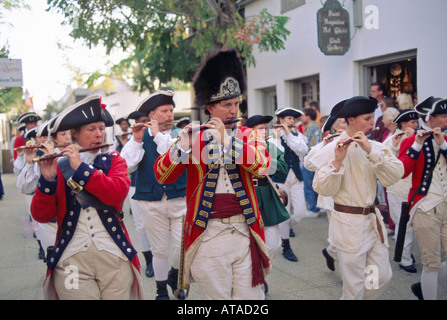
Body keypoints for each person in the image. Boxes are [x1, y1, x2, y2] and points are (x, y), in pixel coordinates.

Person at [154, 48, 271, 300]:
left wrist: (228, 142)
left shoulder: (248, 135)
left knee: (252, 300)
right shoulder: (195, 139)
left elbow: (262, 166)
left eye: (236, 104)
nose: (233, 110)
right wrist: (182, 145)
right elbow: (162, 176)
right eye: (226, 104)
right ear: (209, 107)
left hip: (245, 231)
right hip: (208, 235)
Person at [30, 95, 143, 300]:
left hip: (114, 255)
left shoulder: (114, 161)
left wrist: (81, 169)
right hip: (72, 260)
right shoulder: (59, 165)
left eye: (101, 128)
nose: (99, 134)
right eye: (92, 129)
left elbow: (117, 193)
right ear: (75, 134)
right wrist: (47, 180)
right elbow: (41, 215)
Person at [310, 96, 404, 300]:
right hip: (348, 225)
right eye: (368, 118)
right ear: (351, 120)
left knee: (380, 277)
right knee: (353, 287)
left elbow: (395, 174)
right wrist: (337, 161)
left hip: (372, 222)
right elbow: (322, 188)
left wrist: (371, 152)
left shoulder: (375, 146)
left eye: (373, 117)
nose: (373, 122)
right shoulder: (331, 148)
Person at [121, 88, 187, 300]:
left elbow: (176, 156)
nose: (169, 115)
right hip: (151, 202)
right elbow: (127, 166)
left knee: (181, 247)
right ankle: (160, 290)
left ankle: (174, 275)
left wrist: (159, 134)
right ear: (152, 115)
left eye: (171, 110)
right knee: (160, 250)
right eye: (164, 111)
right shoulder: (139, 137)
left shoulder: (180, 135)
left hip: (179, 199)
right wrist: (137, 140)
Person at [398, 96, 447, 300]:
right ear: (431, 117)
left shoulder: (445, 139)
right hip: (425, 207)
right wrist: (417, 145)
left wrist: (443, 145)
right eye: (443, 115)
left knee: (434, 267)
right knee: (432, 262)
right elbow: (402, 171)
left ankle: (425, 286)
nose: (446, 119)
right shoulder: (411, 140)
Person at [304, 99, 348, 272]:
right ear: (337, 127)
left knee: (345, 239)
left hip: (356, 200)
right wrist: (325, 145)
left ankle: (331, 252)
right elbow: (309, 162)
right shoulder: (327, 143)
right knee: (340, 237)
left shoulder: (361, 141)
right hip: (333, 199)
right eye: (345, 121)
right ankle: (350, 280)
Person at [244, 115, 290, 263]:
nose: (264, 132)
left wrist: (264, 157)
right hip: (247, 195)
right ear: (250, 131)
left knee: (274, 245)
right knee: (247, 244)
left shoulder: (270, 147)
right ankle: (254, 279)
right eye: (260, 129)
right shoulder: (241, 148)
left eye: (265, 128)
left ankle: (261, 274)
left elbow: (283, 170)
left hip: (267, 196)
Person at [383, 109, 419, 273]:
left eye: (416, 122)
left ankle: (404, 255)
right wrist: (395, 145)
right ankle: (404, 259)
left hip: (410, 187)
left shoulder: (418, 137)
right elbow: (385, 157)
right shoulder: (393, 139)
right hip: (398, 187)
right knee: (404, 225)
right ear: (403, 123)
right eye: (412, 122)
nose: (416, 125)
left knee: (405, 225)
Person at [270, 107, 308, 262]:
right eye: (289, 119)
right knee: (284, 212)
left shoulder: (298, 136)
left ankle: (287, 227)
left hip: (296, 178)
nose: (292, 122)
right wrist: (279, 136)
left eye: (294, 119)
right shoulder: (273, 137)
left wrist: (288, 134)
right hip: (280, 180)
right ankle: (286, 246)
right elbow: (274, 155)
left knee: (300, 211)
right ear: (281, 120)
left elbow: (302, 151)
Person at [123, 110, 154, 278]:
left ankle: (158, 259)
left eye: (146, 120)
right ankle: (148, 260)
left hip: (154, 186)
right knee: (141, 226)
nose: (143, 124)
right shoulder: (132, 139)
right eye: (139, 121)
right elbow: (127, 166)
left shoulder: (157, 136)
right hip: (135, 186)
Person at [301, 108, 323, 218]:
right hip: (314, 159)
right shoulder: (313, 126)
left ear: (308, 116)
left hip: (310, 160)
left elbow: (308, 146)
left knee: (309, 185)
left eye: (303, 115)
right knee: (313, 184)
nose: (301, 118)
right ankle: (316, 206)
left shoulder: (311, 127)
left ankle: (313, 208)